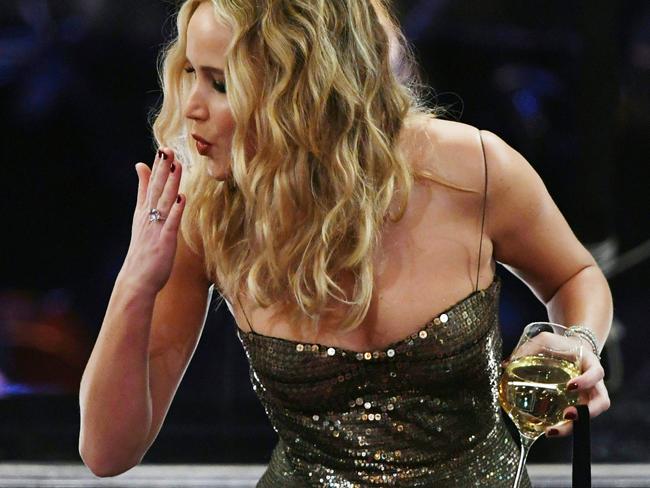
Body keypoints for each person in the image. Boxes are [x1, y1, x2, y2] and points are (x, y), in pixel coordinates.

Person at [78, 0, 612, 486]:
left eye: (221, 84)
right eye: (190, 72)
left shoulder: (474, 169)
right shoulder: (210, 213)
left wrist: (578, 341)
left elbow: (575, 277)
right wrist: (136, 280)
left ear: (303, 89)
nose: (190, 106)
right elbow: (107, 452)